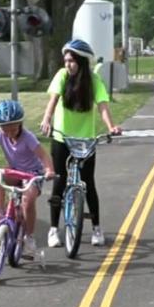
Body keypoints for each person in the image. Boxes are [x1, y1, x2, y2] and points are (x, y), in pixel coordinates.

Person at [40, 39, 121, 248]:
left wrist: (111, 126)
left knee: (88, 183)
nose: (68, 64)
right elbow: (53, 101)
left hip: (86, 140)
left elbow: (102, 107)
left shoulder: (94, 81)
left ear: (82, 62)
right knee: (59, 181)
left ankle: (96, 228)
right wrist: (46, 119)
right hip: (62, 138)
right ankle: (53, 229)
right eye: (66, 60)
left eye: (72, 61)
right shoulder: (61, 76)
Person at [0, 100, 56, 259]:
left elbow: (43, 155)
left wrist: (49, 170)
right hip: (15, 171)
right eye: (5, 130)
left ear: (20, 123)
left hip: (33, 174)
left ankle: (29, 237)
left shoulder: (28, 138)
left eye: (13, 129)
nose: (9, 133)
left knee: (28, 200)